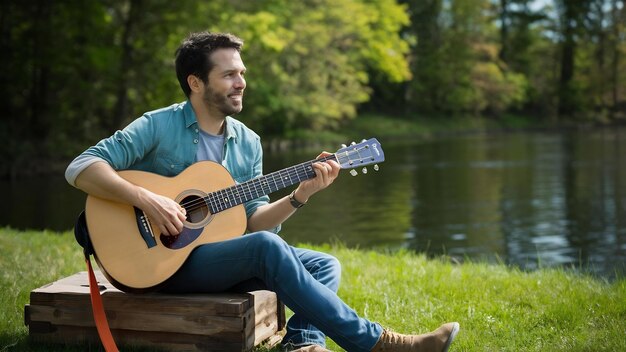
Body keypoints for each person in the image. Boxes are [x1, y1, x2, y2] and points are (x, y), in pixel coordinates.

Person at [65, 31, 460, 352]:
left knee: (324, 264)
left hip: (213, 257)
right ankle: (382, 344)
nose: (242, 83)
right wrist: (147, 199)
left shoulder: (248, 141)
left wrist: (299, 196)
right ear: (196, 82)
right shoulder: (157, 125)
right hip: (156, 264)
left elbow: (254, 221)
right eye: (229, 75)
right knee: (268, 250)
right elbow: (81, 167)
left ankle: (303, 345)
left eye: (242, 72)